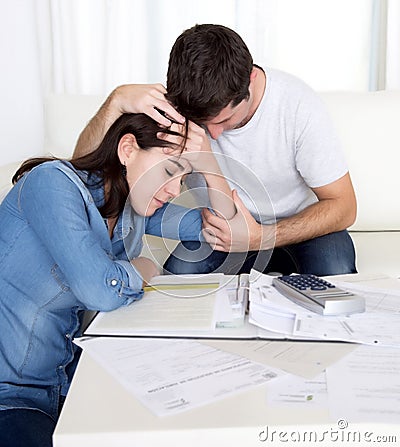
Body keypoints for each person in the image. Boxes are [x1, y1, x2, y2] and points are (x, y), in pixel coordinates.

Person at [0, 111, 234, 447]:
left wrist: (209, 165)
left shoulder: (134, 209)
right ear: (127, 150)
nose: (174, 190)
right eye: (169, 171)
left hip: (73, 383)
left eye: (183, 178)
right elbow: (101, 290)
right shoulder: (49, 183)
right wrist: (144, 267)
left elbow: (227, 230)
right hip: (12, 398)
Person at [74, 24, 357, 277]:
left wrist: (259, 237)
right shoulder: (182, 106)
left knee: (336, 269)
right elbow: (81, 172)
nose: (214, 133)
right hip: (222, 228)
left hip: (300, 226)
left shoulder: (298, 106)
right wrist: (116, 102)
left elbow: (344, 206)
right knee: (182, 272)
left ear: (251, 80)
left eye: (224, 120)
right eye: (205, 124)